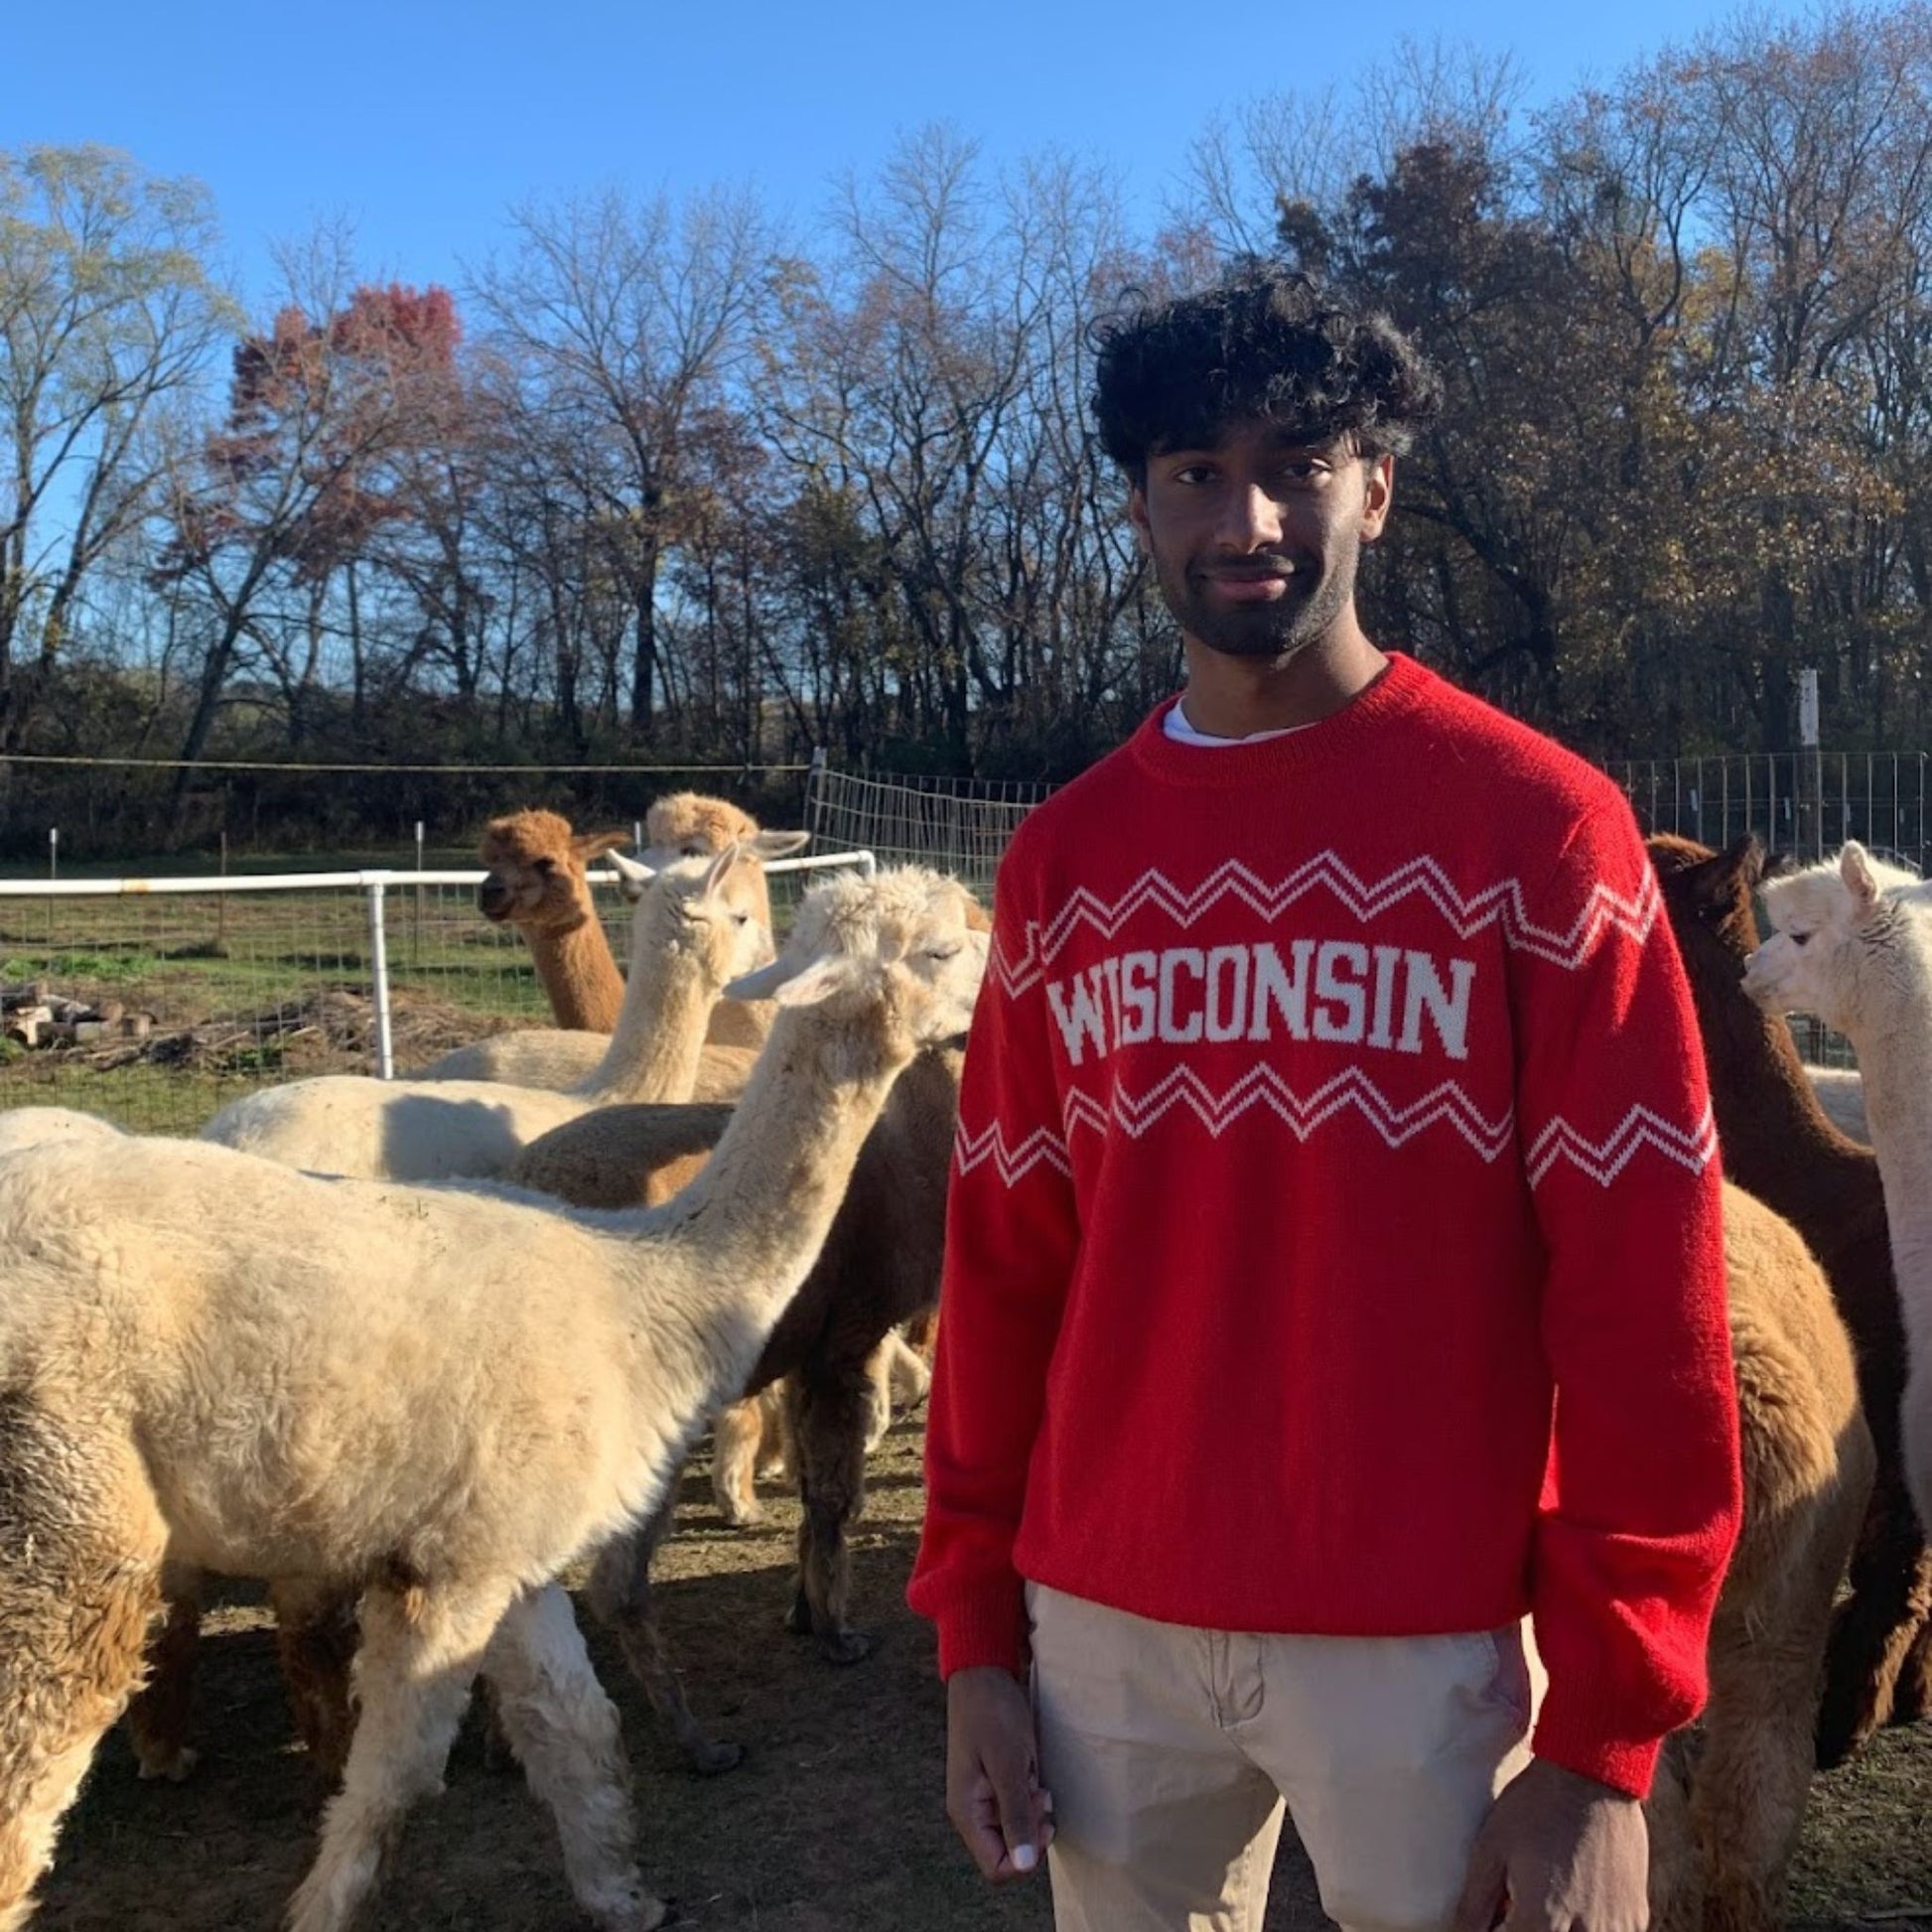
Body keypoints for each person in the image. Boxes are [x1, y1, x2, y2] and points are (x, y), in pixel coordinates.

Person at [906, 267, 1741, 1932]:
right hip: (1099, 1631)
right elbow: (1005, 1266)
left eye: (1298, 459)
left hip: (1421, 1639)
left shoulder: (1540, 833)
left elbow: (1644, 1297)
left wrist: (1597, 1745)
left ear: (1376, 481)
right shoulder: (1065, 863)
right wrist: (975, 1640)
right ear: (1139, 504)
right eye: (1195, 471)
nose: (1249, 512)